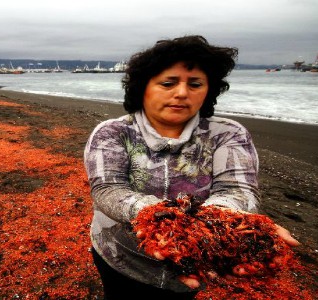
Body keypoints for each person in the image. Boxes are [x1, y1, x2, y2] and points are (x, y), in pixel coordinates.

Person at [83, 35, 300, 299]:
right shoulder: (113, 132)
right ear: (143, 87)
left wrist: (218, 224)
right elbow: (108, 190)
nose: (182, 92)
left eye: (195, 84)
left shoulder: (228, 134)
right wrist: (163, 218)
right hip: (122, 257)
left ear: (209, 90)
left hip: (192, 263)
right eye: (168, 83)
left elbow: (238, 190)